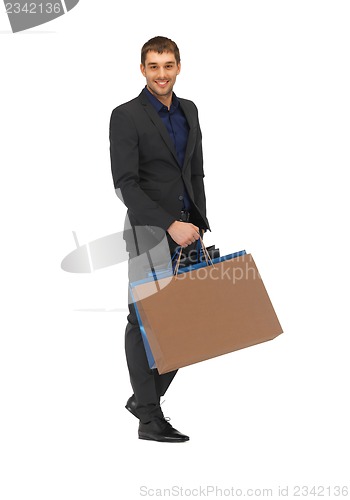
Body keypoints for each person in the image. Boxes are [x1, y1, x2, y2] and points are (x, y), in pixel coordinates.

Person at [109, 36, 210, 442]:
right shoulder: (126, 115)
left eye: (168, 65)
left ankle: (142, 399)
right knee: (144, 320)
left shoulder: (190, 110)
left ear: (179, 67)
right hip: (149, 233)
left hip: (189, 231)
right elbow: (125, 185)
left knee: (191, 321)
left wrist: (198, 222)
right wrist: (170, 224)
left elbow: (197, 172)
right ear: (142, 70)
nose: (161, 74)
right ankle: (150, 418)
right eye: (154, 66)